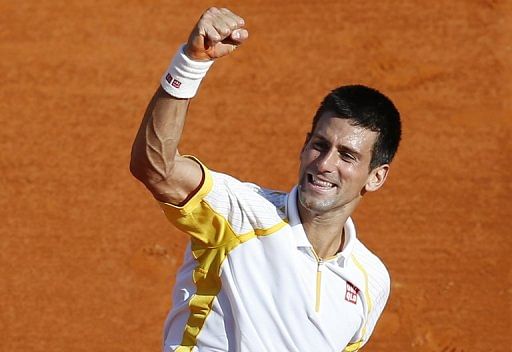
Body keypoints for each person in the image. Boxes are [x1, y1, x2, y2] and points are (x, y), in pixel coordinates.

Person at [130, 7, 401, 352]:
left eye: (347, 156)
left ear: (376, 177)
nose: (325, 164)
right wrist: (192, 62)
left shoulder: (371, 281)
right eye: (319, 146)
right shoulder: (241, 214)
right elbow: (155, 166)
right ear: (304, 147)